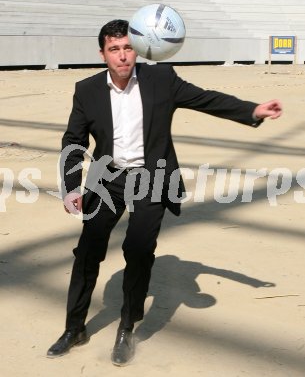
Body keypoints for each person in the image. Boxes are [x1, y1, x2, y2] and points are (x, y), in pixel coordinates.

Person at [47, 19, 282, 366]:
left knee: (139, 250)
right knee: (87, 252)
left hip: (152, 177)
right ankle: (74, 328)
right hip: (107, 178)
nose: (123, 56)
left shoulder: (161, 79)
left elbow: (206, 99)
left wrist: (252, 110)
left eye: (128, 47)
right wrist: (70, 189)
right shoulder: (87, 90)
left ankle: (127, 327)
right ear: (103, 54)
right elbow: (74, 141)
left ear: (138, 48)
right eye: (114, 49)